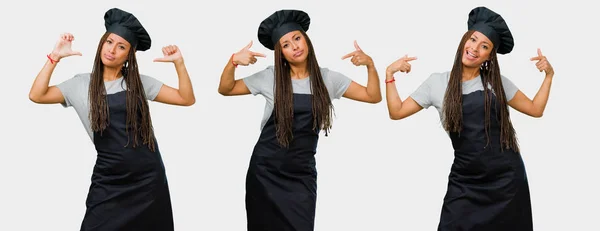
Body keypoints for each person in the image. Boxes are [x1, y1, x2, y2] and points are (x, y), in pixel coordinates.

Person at [384, 6, 554, 230]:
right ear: (464, 40)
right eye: (473, 40)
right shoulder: (437, 83)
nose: (474, 48)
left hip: (506, 181)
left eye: (484, 46)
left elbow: (535, 109)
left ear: (489, 55)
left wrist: (549, 76)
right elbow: (397, 112)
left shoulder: (496, 82)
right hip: (465, 182)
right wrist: (389, 75)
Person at [28, 7, 195, 230]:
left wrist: (179, 64)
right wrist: (55, 57)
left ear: (129, 55)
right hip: (108, 180)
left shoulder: (139, 83)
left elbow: (186, 98)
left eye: (121, 46)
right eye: (109, 42)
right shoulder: (79, 84)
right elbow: (37, 95)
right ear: (101, 44)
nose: (112, 50)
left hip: (147, 180)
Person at [218, 9, 382, 231]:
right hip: (265, 172)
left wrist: (370, 66)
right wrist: (233, 62)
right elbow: (225, 89)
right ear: (281, 53)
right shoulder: (270, 77)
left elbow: (372, 96)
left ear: (306, 40)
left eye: (297, 38)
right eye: (286, 44)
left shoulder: (327, 79)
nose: (294, 46)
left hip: (301, 176)